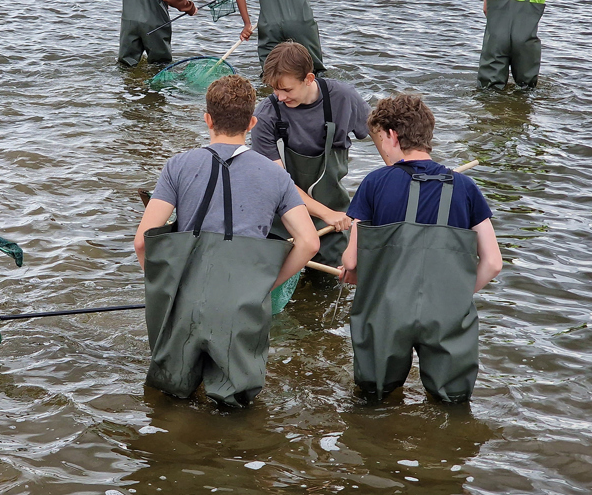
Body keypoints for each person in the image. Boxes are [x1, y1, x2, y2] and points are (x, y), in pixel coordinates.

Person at [134, 74, 319, 406]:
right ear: (251, 122)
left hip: (184, 302)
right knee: (234, 409)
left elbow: (142, 242)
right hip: (242, 304)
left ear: (207, 118)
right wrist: (265, 283)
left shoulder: (178, 165)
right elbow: (308, 243)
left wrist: (165, 286)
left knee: (170, 400)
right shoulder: (277, 175)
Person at [340, 94, 503, 403]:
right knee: (452, 404)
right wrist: (456, 295)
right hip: (447, 313)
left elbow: (350, 261)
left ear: (392, 135)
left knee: (374, 399)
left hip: (386, 312)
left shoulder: (375, 182)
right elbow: (493, 262)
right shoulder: (465, 188)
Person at [250, 42, 370, 267]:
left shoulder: (344, 98)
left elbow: (382, 134)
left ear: (308, 78)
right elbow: (280, 183)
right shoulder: (265, 117)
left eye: (287, 90)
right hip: (280, 220)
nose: (280, 97)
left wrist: (404, 172)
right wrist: (326, 214)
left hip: (334, 220)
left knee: (331, 284)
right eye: (274, 90)